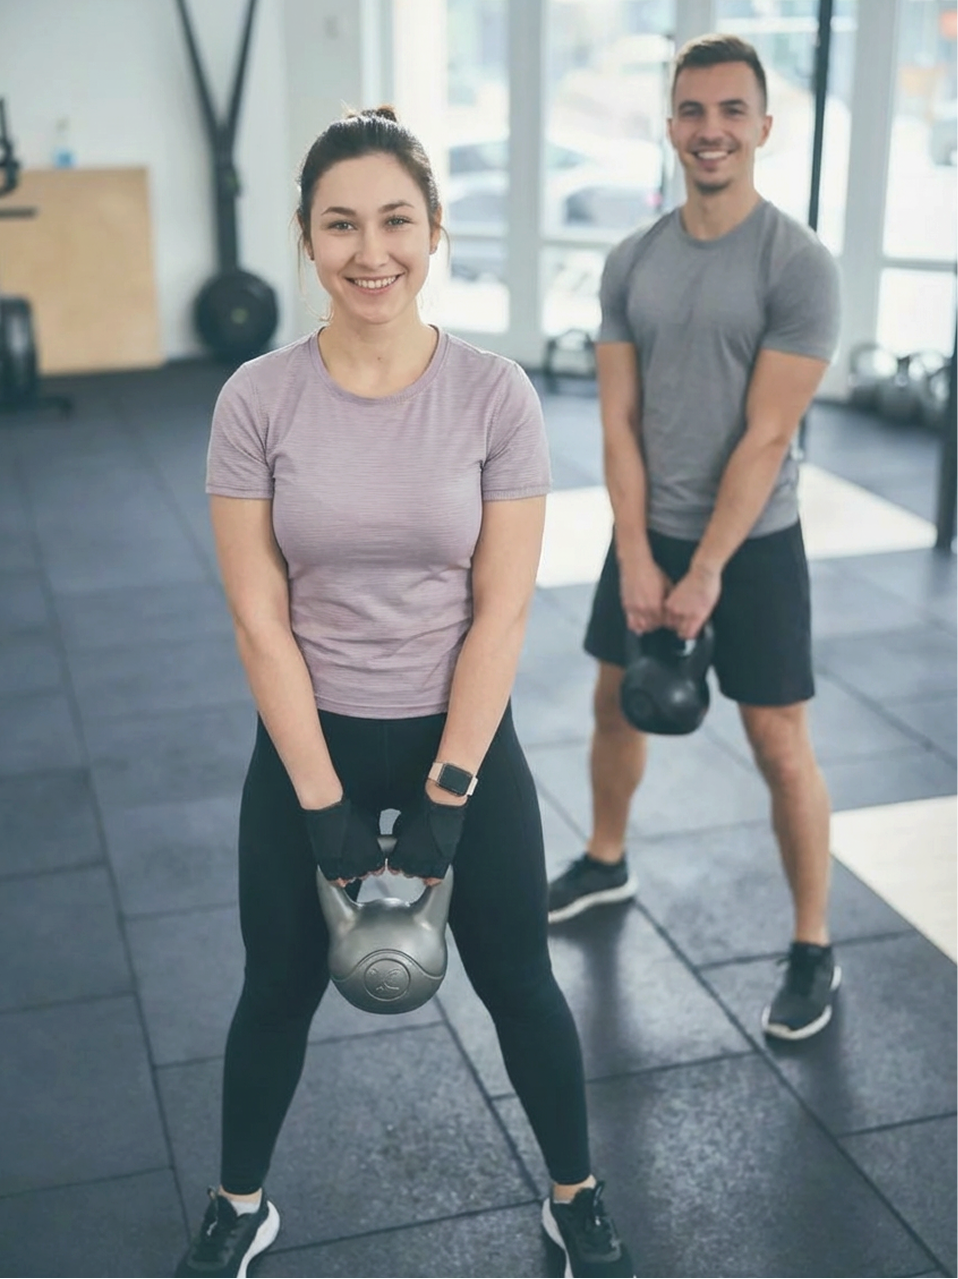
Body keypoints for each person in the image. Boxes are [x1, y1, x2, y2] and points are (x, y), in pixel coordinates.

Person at [175, 106, 635, 1279]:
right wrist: (322, 802)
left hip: (459, 730)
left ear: (433, 230)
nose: (368, 250)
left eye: (393, 221)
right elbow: (257, 616)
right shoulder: (256, 401)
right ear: (305, 239)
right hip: (308, 733)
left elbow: (503, 608)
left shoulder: (494, 396)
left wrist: (449, 789)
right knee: (276, 983)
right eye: (340, 225)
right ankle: (239, 1204)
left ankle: (574, 1195)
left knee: (519, 978)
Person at [546, 35, 842, 1043]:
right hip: (649, 527)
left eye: (729, 111)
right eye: (690, 110)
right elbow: (617, 422)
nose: (709, 129)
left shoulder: (796, 265)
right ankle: (605, 855)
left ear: (763, 127)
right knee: (610, 705)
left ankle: (812, 944)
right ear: (669, 125)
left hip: (754, 543)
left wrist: (706, 566)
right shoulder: (631, 260)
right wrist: (636, 551)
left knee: (777, 741)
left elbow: (767, 437)